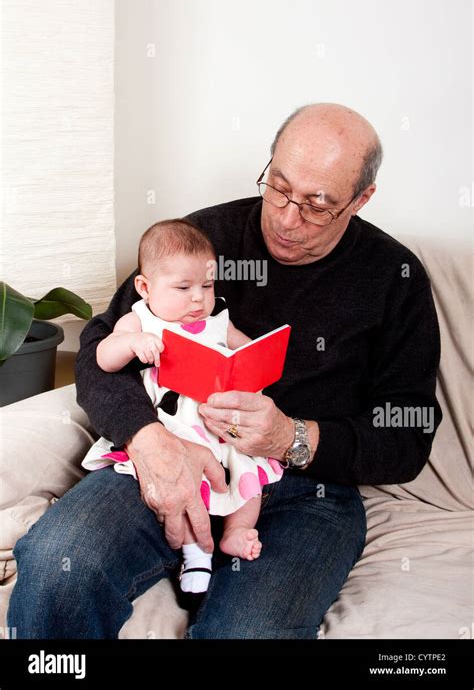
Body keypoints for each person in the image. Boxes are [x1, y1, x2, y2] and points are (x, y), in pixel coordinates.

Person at [7, 102, 442, 639]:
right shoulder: (201, 239)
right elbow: (101, 348)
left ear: (361, 199)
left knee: (249, 633)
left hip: (307, 493)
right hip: (173, 453)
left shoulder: (393, 277)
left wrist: (292, 438)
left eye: (316, 205)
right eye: (278, 187)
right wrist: (149, 443)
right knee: (57, 565)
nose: (285, 218)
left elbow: (408, 435)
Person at [81, 218, 285, 599]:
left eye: (207, 286)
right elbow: (102, 358)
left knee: (251, 474)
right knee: (186, 486)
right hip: (174, 431)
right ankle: (196, 554)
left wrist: (250, 360)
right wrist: (133, 344)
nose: (197, 299)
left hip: (221, 428)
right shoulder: (139, 319)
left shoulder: (216, 321)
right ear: (145, 287)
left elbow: (246, 352)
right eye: (183, 287)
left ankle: (238, 530)